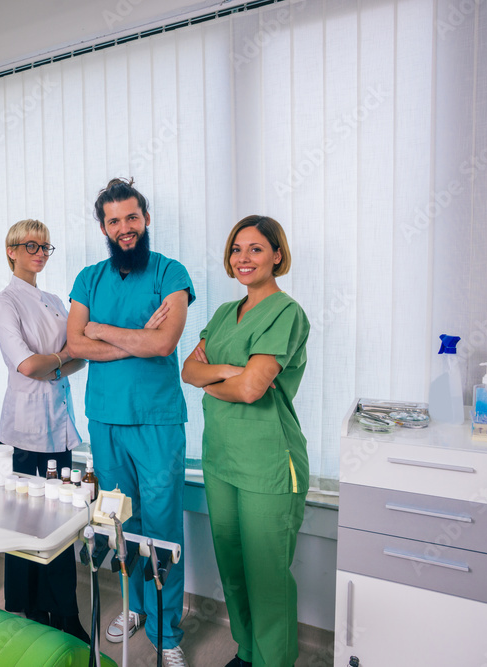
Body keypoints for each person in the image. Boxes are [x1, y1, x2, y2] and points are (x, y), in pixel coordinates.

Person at [67, 178, 193, 667]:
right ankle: (136, 608)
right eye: (114, 220)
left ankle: (166, 631)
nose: (125, 228)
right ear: (103, 226)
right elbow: (75, 345)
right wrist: (130, 337)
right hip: (105, 419)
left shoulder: (170, 273)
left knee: (162, 528)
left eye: (132, 217)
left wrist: (99, 329)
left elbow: (163, 345)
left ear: (145, 219)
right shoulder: (88, 278)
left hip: (157, 421)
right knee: (120, 523)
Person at [180, 215, 310, 667]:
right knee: (233, 570)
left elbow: (253, 389)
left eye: (255, 249)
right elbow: (187, 370)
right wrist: (226, 373)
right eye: (237, 249)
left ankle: (273, 661)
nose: (243, 258)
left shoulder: (286, 313)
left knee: (266, 575)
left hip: (268, 461)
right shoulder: (221, 314)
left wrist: (212, 378)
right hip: (221, 459)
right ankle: (248, 651)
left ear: (277, 255)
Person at [0, 218, 89, 642]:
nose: (40, 252)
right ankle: (29, 613)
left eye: (46, 247)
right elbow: (26, 364)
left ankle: (66, 615)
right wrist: (60, 358)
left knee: (60, 526)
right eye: (31, 245)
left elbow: (80, 356)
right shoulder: (4, 303)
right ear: (11, 250)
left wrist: (56, 361)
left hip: (60, 431)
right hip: (25, 433)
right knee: (25, 527)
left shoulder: (53, 299)